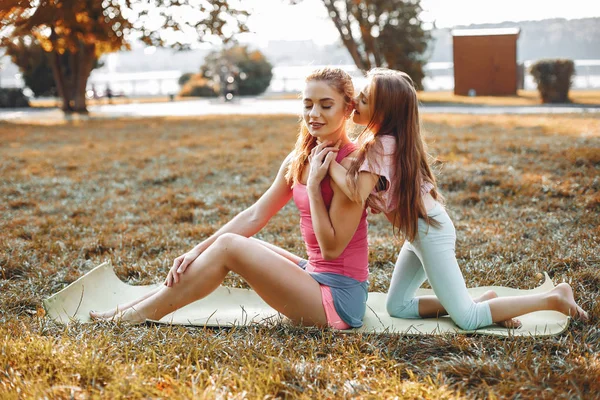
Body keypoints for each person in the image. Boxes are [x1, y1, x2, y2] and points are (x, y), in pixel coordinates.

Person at [90, 67, 378, 330]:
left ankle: (136, 316)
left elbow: (331, 250)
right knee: (232, 243)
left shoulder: (352, 165)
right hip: (314, 275)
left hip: (339, 300)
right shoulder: (300, 159)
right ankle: (129, 309)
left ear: (347, 108)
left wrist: (314, 187)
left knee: (230, 246)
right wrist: (196, 251)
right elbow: (255, 215)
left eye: (326, 105)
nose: (314, 114)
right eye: (307, 104)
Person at [326, 68, 588, 330]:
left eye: (364, 99)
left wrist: (327, 166)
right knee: (398, 306)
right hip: (421, 232)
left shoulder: (380, 146)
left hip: (430, 233)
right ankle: (483, 302)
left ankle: (552, 299)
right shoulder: (388, 142)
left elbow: (357, 192)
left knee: (468, 319)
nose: (355, 102)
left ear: (385, 111)